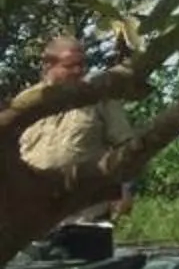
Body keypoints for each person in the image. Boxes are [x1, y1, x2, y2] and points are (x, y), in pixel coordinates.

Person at [17, 33, 134, 231]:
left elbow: (128, 149)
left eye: (82, 64)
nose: (79, 70)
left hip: (85, 218)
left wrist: (127, 190)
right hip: (31, 218)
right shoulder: (25, 103)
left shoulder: (100, 98)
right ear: (48, 65)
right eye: (70, 65)